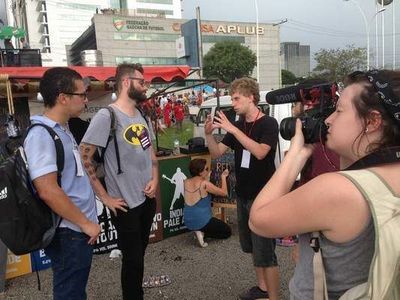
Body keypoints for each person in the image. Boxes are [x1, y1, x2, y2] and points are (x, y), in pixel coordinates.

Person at [249, 70, 400, 299]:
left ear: (372, 121)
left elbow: (258, 220)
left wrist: (296, 156)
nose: (329, 120)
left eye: (339, 111)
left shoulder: (339, 190)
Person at [80, 63, 158, 300]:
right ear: (126, 82)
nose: (145, 87)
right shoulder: (107, 116)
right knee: (133, 260)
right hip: (124, 203)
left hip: (147, 200)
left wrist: (154, 179)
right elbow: (85, 157)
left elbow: (150, 153)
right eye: (141, 82)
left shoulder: (141, 115)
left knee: (139, 256)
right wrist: (104, 197)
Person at [24, 67, 100, 299]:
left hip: (76, 229)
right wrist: (85, 224)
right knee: (69, 293)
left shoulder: (62, 129)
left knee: (75, 290)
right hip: (69, 231)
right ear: (63, 98)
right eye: (82, 95)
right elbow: (47, 190)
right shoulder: (41, 135)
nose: (86, 100)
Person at [205, 77, 280, 300]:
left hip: (263, 196)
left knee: (266, 251)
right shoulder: (237, 125)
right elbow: (217, 153)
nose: (233, 103)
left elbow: (260, 152)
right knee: (251, 248)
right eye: (232, 98)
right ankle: (262, 289)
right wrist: (209, 134)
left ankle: (274, 296)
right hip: (243, 194)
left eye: (237, 98)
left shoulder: (268, 124)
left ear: (251, 97)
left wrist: (233, 130)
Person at [184, 159, 232, 247]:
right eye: (206, 169)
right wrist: (223, 177)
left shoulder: (186, 182)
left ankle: (199, 231)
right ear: (200, 172)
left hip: (188, 220)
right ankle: (203, 233)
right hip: (202, 220)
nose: (209, 171)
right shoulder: (204, 184)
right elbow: (224, 192)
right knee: (227, 231)